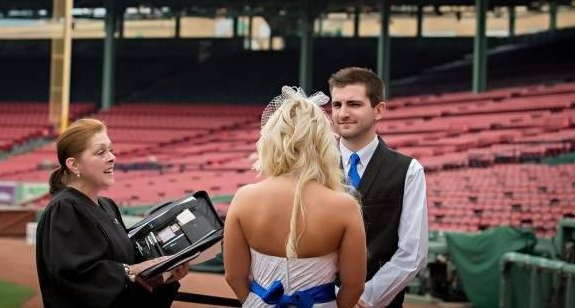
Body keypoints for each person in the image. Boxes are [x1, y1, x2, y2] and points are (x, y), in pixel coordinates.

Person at [224, 86, 366, 307]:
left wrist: (257, 302)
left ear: (272, 140)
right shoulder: (345, 206)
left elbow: (234, 276)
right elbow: (354, 285)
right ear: (322, 142)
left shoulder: (244, 198)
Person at [36, 118, 189, 308]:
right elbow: (75, 281)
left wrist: (162, 278)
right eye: (101, 152)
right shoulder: (65, 208)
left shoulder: (108, 206)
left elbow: (129, 285)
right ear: (74, 165)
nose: (112, 157)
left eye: (111, 150)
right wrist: (129, 271)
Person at [329, 67, 428, 308]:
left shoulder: (409, 170)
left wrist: (363, 298)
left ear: (378, 110)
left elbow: (412, 253)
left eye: (353, 104)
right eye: (336, 105)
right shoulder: (312, 168)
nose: (342, 113)